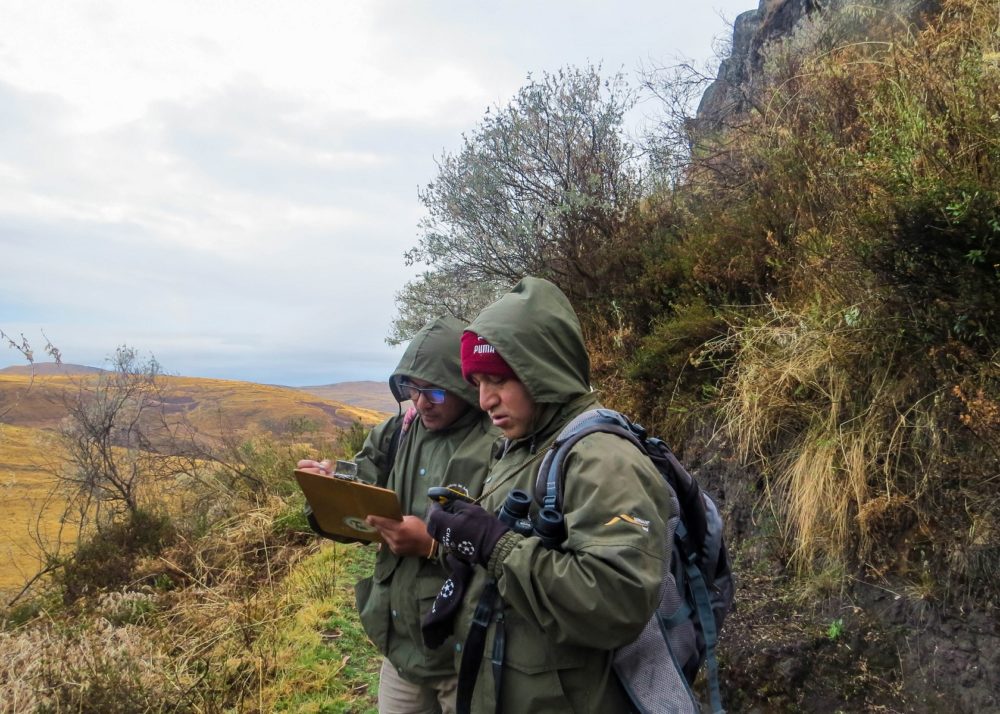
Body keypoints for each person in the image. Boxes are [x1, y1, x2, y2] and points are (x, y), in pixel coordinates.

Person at [422, 277, 673, 713]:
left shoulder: (603, 460)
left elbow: (617, 601)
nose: (485, 400)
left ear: (542, 368)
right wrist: (463, 547)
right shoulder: (525, 445)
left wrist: (494, 547)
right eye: (477, 382)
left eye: (498, 379)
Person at [299, 316, 497, 714]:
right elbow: (357, 502)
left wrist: (431, 546)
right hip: (401, 648)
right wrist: (327, 491)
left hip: (466, 656)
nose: (421, 402)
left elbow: (509, 547)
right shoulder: (396, 433)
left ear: (465, 387)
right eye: (412, 388)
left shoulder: (498, 445)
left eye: (435, 391)